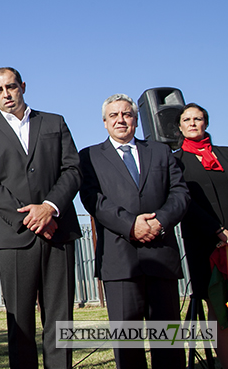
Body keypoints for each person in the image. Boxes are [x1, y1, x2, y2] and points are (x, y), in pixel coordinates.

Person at [0, 67, 82, 369]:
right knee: (20, 321)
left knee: (61, 319)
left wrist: (48, 207)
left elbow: (72, 170)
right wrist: (28, 218)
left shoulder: (54, 123)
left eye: (11, 87)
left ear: (23, 86)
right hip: (13, 237)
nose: (7, 94)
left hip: (58, 231)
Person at [79, 93, 188, 369]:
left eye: (127, 114)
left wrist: (159, 221)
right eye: (114, 115)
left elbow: (180, 193)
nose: (121, 120)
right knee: (128, 345)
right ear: (104, 122)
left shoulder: (161, 151)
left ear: (137, 120)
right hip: (119, 262)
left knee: (168, 341)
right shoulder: (90, 156)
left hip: (161, 255)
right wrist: (131, 225)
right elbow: (92, 199)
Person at [173, 103, 228, 369]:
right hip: (204, 245)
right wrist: (217, 230)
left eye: (198, 118)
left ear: (206, 123)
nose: (193, 123)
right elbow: (184, 202)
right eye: (187, 119)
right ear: (179, 126)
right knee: (218, 311)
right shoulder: (174, 161)